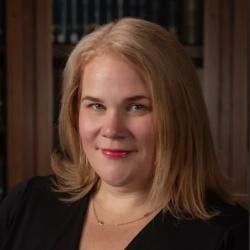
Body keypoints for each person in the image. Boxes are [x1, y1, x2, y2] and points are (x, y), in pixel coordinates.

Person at [0, 18, 248, 250]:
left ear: (179, 115)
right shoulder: (25, 205)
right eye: (96, 105)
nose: (112, 130)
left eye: (136, 106)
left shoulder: (230, 236)